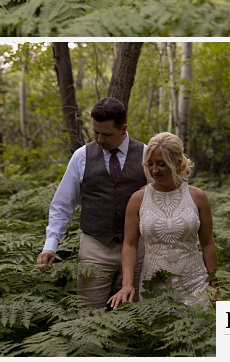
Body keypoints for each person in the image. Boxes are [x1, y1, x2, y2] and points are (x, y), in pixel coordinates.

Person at [37, 97, 146, 308]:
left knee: (133, 314)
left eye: (106, 134)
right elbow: (62, 204)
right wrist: (50, 246)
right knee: (88, 313)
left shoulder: (146, 154)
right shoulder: (81, 157)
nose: (98, 139)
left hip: (138, 249)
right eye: (95, 132)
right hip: (95, 248)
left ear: (123, 129)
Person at [109, 132, 217, 309]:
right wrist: (127, 284)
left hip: (195, 283)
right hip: (153, 286)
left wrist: (215, 287)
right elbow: (129, 244)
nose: (154, 170)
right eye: (150, 164)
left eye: (161, 164)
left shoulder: (197, 197)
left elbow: (207, 243)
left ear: (177, 163)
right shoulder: (138, 199)